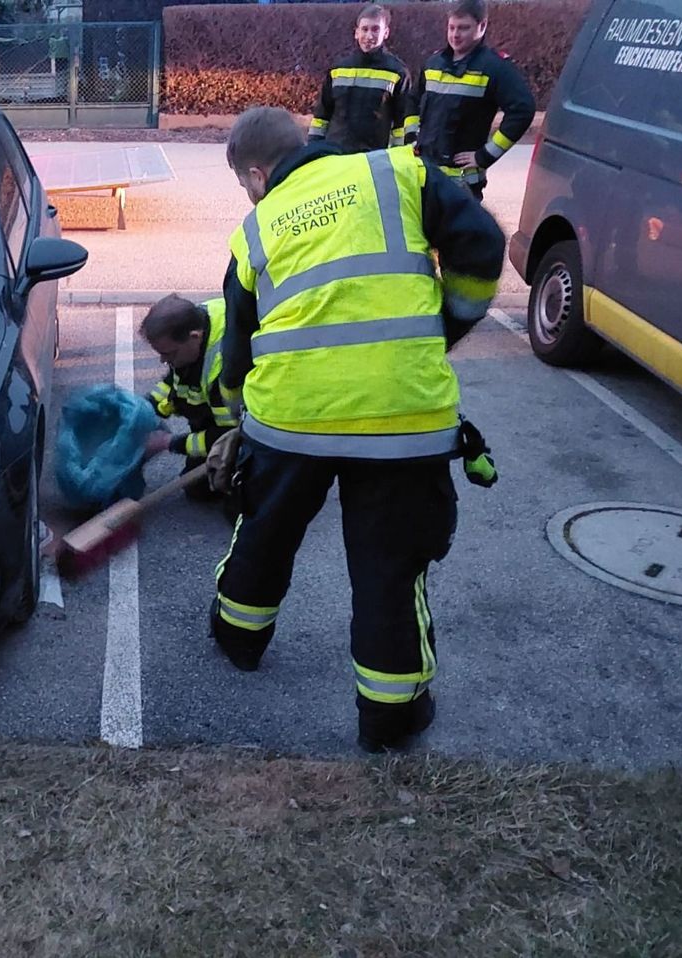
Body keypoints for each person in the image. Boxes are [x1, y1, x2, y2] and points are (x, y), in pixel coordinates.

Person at [213, 106, 505, 752]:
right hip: (402, 423)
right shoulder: (398, 173)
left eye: (245, 185)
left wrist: (238, 421)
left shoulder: (254, 230)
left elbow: (236, 352)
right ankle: (389, 717)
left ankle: (237, 638)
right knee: (389, 570)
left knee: (264, 534)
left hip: (290, 424)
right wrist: (445, 327)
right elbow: (482, 246)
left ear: (258, 175)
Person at [407, 0, 535, 199]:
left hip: (462, 184)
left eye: (463, 28)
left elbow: (523, 110)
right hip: (424, 174)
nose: (455, 35)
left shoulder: (495, 67)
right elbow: (412, 100)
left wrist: (485, 155)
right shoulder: (433, 63)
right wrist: (411, 138)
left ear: (482, 26)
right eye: (451, 27)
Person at [141, 295, 238, 502]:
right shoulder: (195, 323)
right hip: (220, 415)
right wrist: (144, 409)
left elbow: (228, 436)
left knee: (224, 497)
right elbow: (177, 380)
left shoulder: (226, 369)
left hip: (249, 429)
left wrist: (169, 443)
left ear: (195, 337)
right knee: (197, 489)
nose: (163, 360)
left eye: (169, 353)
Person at [308, 4, 413, 152]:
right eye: (365, 29)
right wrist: (313, 148)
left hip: (372, 160)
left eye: (375, 29)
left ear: (386, 33)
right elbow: (321, 116)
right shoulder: (339, 69)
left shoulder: (397, 72)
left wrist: (396, 156)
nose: (369, 36)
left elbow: (401, 123)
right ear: (356, 33)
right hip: (335, 155)